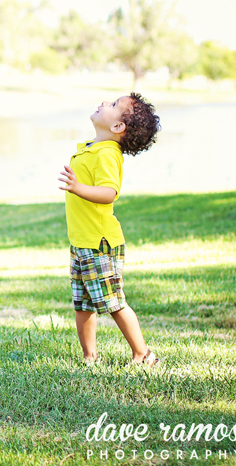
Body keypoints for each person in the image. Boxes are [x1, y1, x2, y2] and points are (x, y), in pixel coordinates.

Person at [57, 93, 161, 365]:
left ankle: (143, 354)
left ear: (117, 127)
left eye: (114, 105)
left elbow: (108, 192)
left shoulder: (107, 154)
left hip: (100, 242)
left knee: (113, 302)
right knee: (83, 303)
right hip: (82, 241)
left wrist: (77, 188)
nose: (105, 102)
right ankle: (89, 357)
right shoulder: (93, 147)